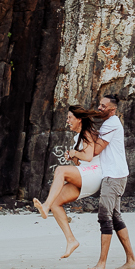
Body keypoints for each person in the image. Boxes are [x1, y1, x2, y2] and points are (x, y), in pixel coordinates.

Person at [33, 106, 104, 259]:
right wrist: (73, 158)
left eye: (70, 117)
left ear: (79, 119)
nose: (67, 121)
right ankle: (71, 240)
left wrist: (74, 153)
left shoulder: (87, 132)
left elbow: (89, 156)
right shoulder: (77, 138)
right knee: (56, 202)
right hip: (86, 175)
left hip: (94, 174)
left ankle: (45, 206)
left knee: (60, 170)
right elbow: (81, 162)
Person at [88, 94, 135, 269]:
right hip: (114, 175)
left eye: (103, 106)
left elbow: (96, 150)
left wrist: (85, 130)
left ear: (112, 109)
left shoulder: (111, 123)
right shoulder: (109, 124)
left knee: (104, 217)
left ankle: (101, 264)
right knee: (115, 218)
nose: (99, 108)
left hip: (114, 177)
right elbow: (97, 140)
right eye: (99, 105)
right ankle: (131, 260)